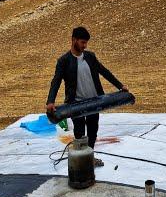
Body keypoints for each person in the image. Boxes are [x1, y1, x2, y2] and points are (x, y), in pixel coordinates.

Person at [46, 26, 129, 166]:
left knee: (92, 132)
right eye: (82, 42)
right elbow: (56, 81)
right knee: (79, 134)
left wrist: (120, 86)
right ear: (74, 40)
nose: (84, 46)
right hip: (75, 105)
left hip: (94, 103)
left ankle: (90, 158)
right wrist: (50, 101)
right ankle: (81, 160)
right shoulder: (64, 61)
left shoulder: (90, 57)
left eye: (86, 43)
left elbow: (104, 72)